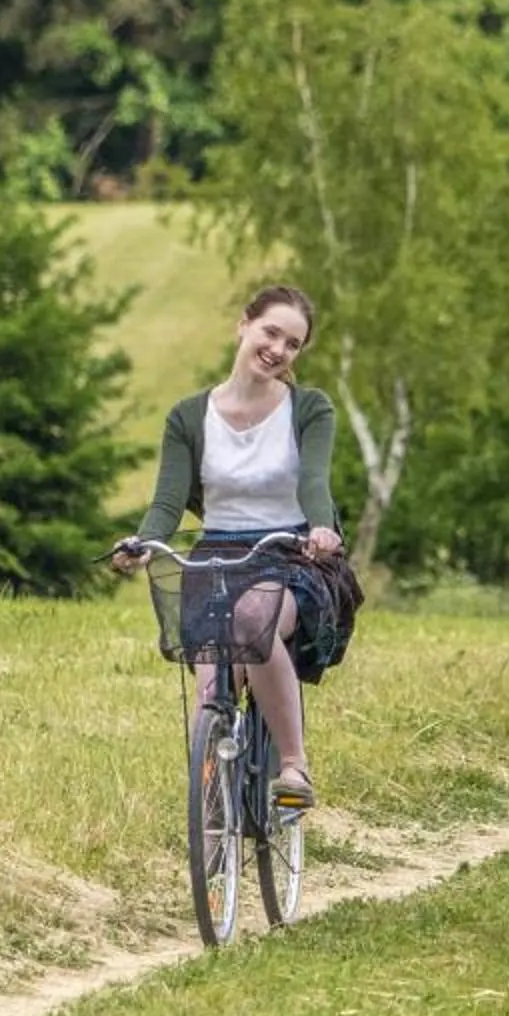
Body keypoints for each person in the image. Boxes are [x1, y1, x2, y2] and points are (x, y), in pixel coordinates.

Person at [114, 285, 347, 809]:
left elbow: (314, 481)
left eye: (293, 343)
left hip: (290, 552)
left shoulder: (310, 408)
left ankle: (294, 766)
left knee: (252, 622)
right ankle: (213, 807)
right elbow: (168, 502)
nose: (278, 349)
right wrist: (144, 543)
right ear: (243, 325)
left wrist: (321, 527)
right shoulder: (188, 417)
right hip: (215, 558)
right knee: (210, 691)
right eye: (271, 333)